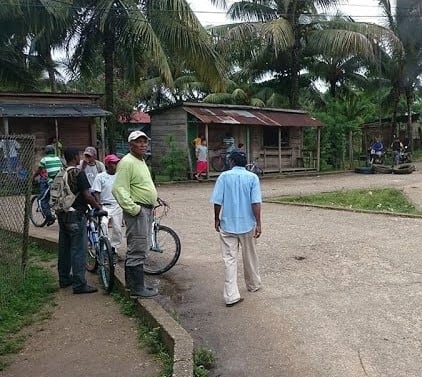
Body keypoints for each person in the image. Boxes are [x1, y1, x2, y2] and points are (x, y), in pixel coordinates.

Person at [210, 151, 262, 307]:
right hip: (247, 224)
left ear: (231, 161)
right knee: (250, 256)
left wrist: (216, 219)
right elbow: (255, 203)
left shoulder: (223, 177)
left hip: (228, 224)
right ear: (245, 163)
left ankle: (231, 295)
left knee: (229, 260)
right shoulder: (252, 178)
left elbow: (217, 201)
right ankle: (253, 285)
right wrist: (258, 223)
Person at [112, 130, 159, 298]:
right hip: (138, 211)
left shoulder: (140, 161)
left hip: (145, 209)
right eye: (139, 142)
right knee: (137, 248)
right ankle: (136, 289)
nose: (143, 145)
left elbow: (140, 185)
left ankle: (134, 286)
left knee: (141, 246)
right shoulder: (127, 162)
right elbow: (118, 189)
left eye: (145, 142)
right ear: (130, 144)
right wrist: (135, 209)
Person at [57, 147, 105, 294]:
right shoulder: (78, 173)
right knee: (79, 250)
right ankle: (79, 284)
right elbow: (87, 195)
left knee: (64, 248)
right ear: (76, 157)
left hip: (62, 214)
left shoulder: (61, 173)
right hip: (76, 215)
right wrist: (98, 207)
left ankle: (64, 279)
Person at [92, 154, 123, 257]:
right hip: (105, 205)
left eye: (116, 163)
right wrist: (99, 205)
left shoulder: (119, 176)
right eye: (113, 163)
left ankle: (114, 248)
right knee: (103, 225)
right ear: (108, 164)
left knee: (118, 229)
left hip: (117, 205)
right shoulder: (100, 177)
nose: (115, 165)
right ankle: (105, 248)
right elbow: (96, 192)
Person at [33, 145, 63, 226]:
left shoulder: (44, 160)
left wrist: (34, 177)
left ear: (46, 152)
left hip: (51, 182)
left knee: (41, 200)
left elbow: (39, 170)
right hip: (60, 182)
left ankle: (49, 217)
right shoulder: (58, 158)